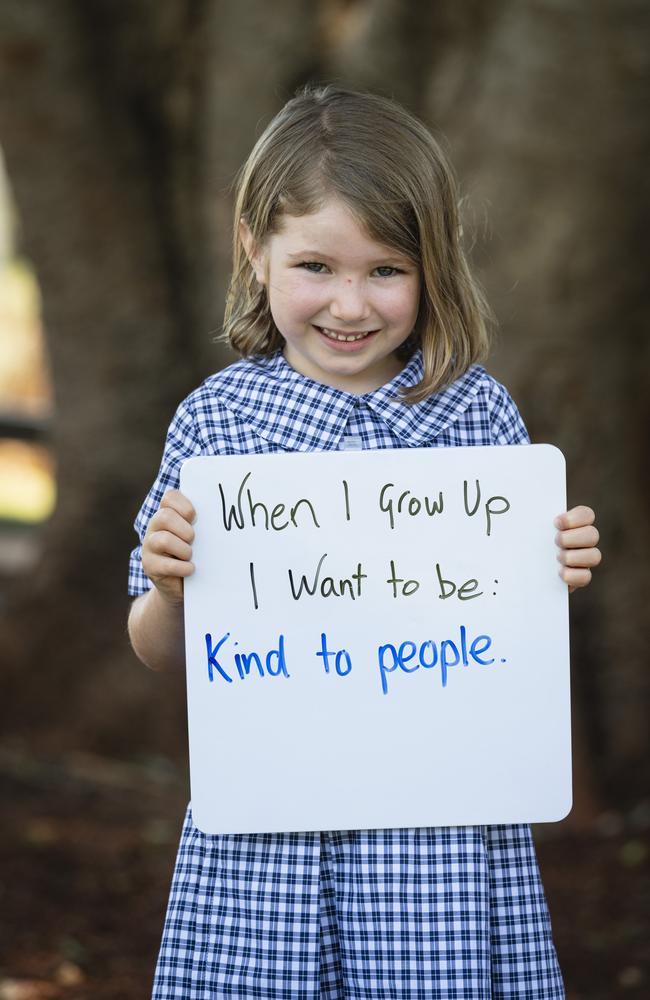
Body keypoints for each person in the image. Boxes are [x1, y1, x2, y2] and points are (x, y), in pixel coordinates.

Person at [128, 85, 601, 999]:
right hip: (266, 846)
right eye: (315, 264)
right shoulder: (218, 425)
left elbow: (508, 643)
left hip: (441, 847)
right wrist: (170, 587)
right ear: (256, 253)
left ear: (433, 269)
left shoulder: (476, 414)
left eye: (387, 269)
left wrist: (556, 571)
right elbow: (154, 651)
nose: (350, 303)